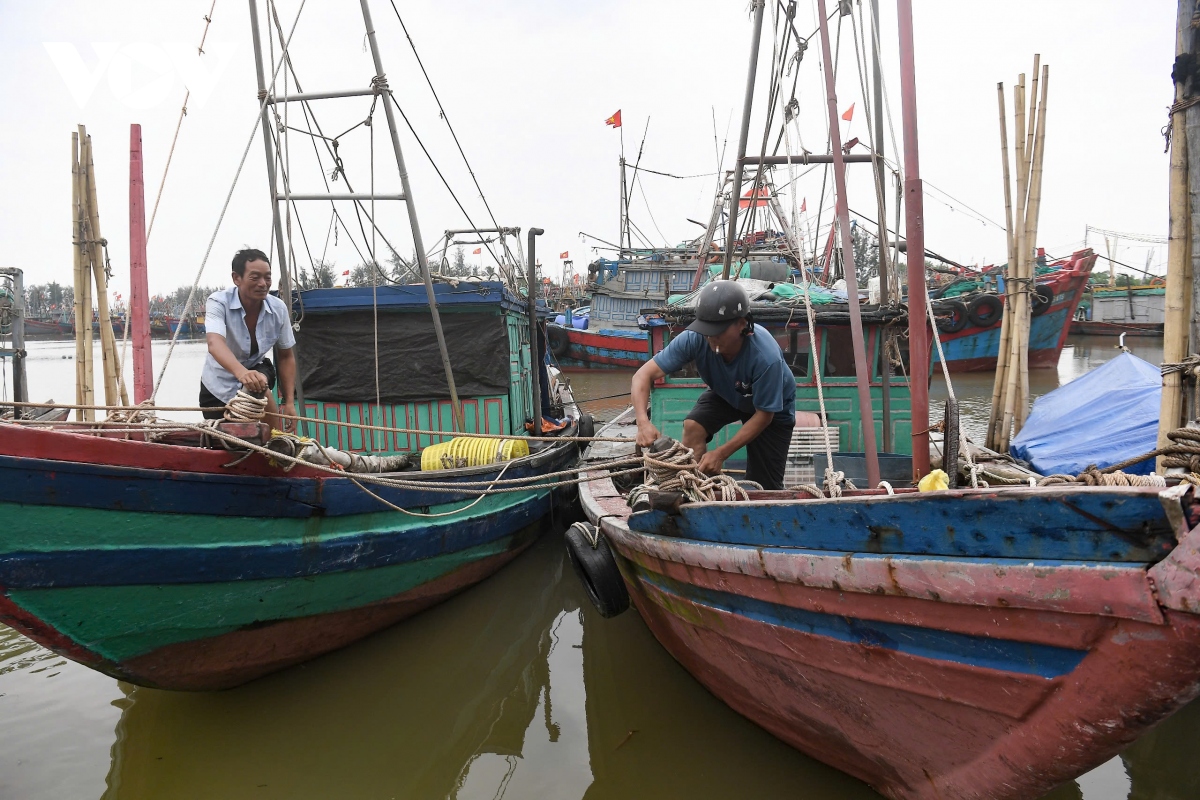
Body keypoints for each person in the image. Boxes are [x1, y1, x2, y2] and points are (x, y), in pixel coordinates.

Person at [631, 280, 820, 490]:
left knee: (764, 486)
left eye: (718, 331)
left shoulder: (765, 357)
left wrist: (721, 454)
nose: (711, 337)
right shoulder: (695, 338)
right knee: (693, 427)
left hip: (771, 409)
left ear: (742, 324)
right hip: (728, 392)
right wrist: (642, 422)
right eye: (706, 329)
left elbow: (764, 415)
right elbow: (642, 375)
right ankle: (696, 489)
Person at [199, 248, 297, 431]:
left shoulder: (278, 309)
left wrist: (290, 402)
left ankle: (277, 441)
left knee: (258, 384)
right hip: (216, 386)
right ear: (236, 278)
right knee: (229, 444)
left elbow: (285, 356)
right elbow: (214, 343)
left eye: (267, 277)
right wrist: (242, 374)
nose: (263, 283)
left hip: (258, 368)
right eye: (255, 277)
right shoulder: (219, 302)